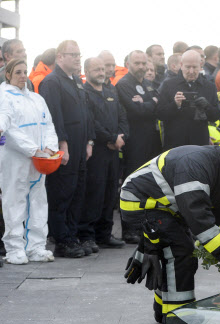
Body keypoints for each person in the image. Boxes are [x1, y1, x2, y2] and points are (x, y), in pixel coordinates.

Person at [121, 135, 220, 324]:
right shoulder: (195, 164)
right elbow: (198, 217)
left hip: (167, 207)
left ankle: (164, 311)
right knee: (181, 253)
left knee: (177, 249)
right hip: (142, 203)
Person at [0, 58, 59, 264]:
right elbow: (10, 129)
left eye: (25, 72)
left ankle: (36, 246)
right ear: (8, 74)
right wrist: (33, 149)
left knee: (38, 201)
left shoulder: (36, 99)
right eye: (18, 72)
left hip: (39, 160)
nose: (23, 76)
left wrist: (51, 148)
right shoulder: (4, 96)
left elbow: (48, 124)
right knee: (14, 202)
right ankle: (14, 247)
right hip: (16, 160)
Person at [39, 40, 93, 258]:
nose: (78, 58)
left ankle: (72, 236)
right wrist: (63, 144)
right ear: (60, 57)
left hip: (81, 145)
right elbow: (54, 116)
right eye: (73, 55)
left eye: (79, 54)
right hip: (66, 146)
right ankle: (62, 241)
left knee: (77, 193)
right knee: (62, 193)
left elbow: (86, 114)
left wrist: (90, 141)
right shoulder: (52, 82)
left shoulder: (76, 81)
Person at [77, 57, 129, 252]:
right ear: (87, 71)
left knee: (110, 192)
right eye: (96, 69)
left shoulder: (111, 91)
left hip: (114, 151)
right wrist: (110, 138)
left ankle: (105, 234)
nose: (101, 72)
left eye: (103, 68)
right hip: (97, 150)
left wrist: (121, 137)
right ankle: (87, 235)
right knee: (94, 193)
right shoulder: (84, 93)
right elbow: (91, 121)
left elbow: (122, 116)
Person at [116, 50, 162, 243]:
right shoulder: (123, 85)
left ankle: (145, 226)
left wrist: (148, 103)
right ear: (128, 63)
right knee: (132, 186)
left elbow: (157, 108)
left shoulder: (147, 84)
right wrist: (151, 102)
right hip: (134, 143)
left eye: (144, 63)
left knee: (149, 185)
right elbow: (136, 111)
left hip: (151, 141)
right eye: (137, 63)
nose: (142, 67)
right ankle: (129, 229)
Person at [157, 50, 220, 149]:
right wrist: (175, 104)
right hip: (175, 143)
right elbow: (160, 114)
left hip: (199, 142)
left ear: (200, 66)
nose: (191, 71)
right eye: (187, 67)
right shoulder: (168, 85)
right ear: (181, 65)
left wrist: (207, 106)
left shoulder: (209, 87)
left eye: (195, 67)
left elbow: (216, 116)